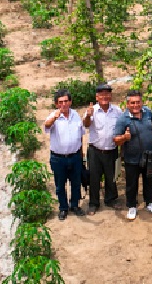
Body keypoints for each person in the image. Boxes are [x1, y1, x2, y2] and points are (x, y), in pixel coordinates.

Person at [113, 90, 152, 220]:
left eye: (138, 102)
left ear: (142, 102)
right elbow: (116, 139)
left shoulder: (147, 112)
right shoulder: (123, 119)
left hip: (149, 155)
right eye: (132, 103)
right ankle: (132, 206)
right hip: (132, 158)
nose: (136, 105)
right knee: (131, 184)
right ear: (127, 104)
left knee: (150, 181)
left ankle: (150, 203)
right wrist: (124, 137)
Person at [43, 89, 86, 220]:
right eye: (60, 102)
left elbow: (81, 135)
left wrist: (81, 154)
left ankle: (75, 205)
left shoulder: (76, 116)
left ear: (70, 102)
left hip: (75, 156)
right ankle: (63, 208)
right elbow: (46, 125)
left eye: (66, 101)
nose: (64, 104)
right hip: (58, 158)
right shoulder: (53, 116)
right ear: (57, 104)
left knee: (76, 182)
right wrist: (55, 117)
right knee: (60, 185)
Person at [85, 83, 123, 214]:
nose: (104, 96)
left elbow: (122, 127)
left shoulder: (117, 111)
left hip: (111, 150)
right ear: (97, 96)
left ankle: (111, 199)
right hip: (95, 150)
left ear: (111, 95)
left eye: (107, 93)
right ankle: (93, 203)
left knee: (111, 176)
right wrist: (88, 115)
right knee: (94, 178)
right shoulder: (92, 110)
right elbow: (86, 124)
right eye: (101, 94)